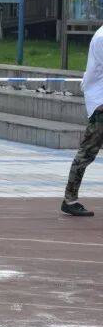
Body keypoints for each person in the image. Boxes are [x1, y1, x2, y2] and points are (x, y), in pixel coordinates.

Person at [60, 24, 103, 217]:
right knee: (87, 152)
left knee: (87, 151)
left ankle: (70, 199)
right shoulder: (102, 37)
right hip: (100, 102)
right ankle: (69, 200)